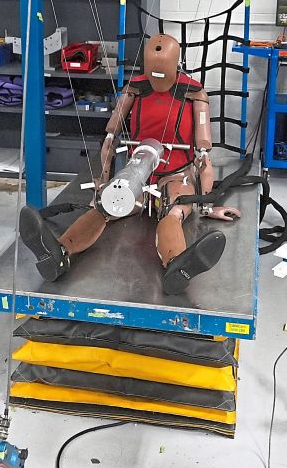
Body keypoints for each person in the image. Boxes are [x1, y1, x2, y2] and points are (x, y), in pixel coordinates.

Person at [18, 34, 240, 295]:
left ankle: (178, 265)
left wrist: (207, 204)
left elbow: (203, 154)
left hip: (175, 173)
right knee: (107, 205)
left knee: (174, 210)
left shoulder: (193, 93)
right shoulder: (135, 89)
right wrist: (103, 181)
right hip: (137, 171)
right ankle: (58, 252)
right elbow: (110, 138)